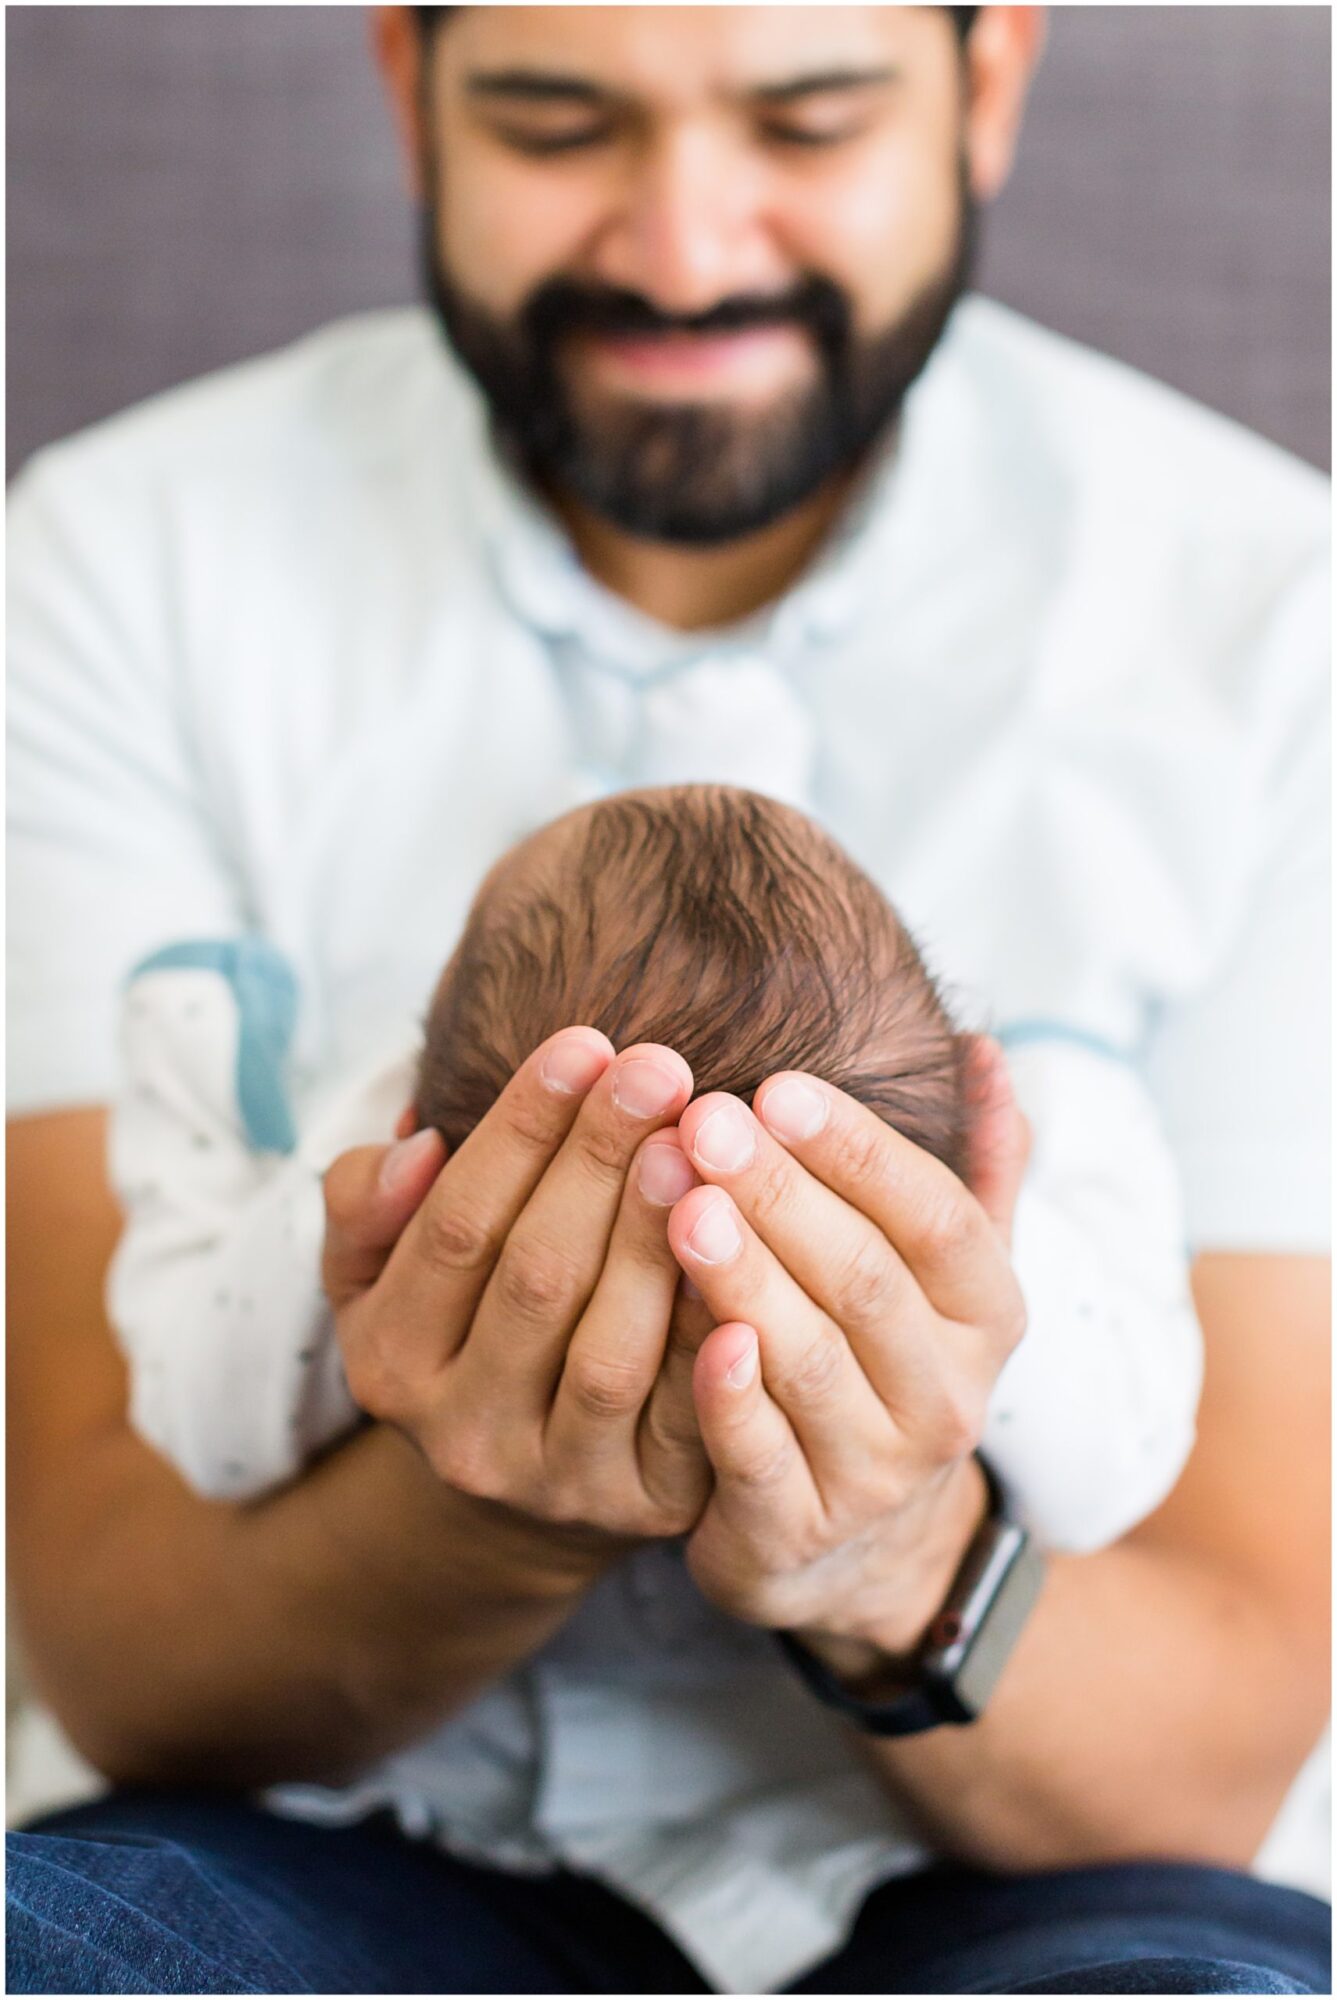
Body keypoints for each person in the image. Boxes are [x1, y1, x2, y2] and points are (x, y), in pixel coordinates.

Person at [6, 5, 1329, 1994]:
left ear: (982, 90)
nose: (682, 248)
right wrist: (493, 1512)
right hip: (338, 1837)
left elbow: (1221, 1723)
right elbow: (116, 1634)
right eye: (556, 120)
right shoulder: (117, 570)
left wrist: (882, 1552)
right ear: (406, 93)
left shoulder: (1267, 620)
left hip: (1015, 1875)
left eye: (803, 122)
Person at [106, 784, 1200, 1559]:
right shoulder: (1001, 1296)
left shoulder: (385, 1185)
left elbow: (203, 1429)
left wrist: (337, 1245)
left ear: (410, 1118)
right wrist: (1007, 1242)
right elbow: (1115, 1472)